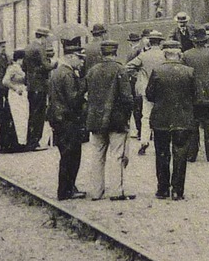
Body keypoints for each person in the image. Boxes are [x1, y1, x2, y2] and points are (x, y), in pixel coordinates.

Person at [82, 41, 138, 201]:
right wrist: (127, 116)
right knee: (116, 155)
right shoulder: (120, 69)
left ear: (102, 53)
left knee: (97, 155)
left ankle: (96, 192)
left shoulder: (92, 71)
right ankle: (115, 191)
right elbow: (127, 97)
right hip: (116, 120)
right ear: (115, 52)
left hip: (96, 120)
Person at [144, 40, 195, 200]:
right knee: (180, 154)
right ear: (179, 54)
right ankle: (177, 191)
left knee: (162, 154)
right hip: (182, 118)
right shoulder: (190, 72)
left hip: (161, 119)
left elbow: (149, 95)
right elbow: (195, 95)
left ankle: (163, 189)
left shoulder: (157, 71)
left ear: (165, 54)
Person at [48, 38, 87, 199]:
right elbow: (73, 99)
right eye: (80, 58)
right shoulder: (68, 74)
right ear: (71, 57)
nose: (82, 62)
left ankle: (68, 187)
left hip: (58, 118)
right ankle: (66, 190)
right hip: (68, 120)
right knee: (71, 156)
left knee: (66, 155)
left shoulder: (57, 72)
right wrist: (84, 90)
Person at [182, 28, 209, 163]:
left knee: (192, 125)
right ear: (205, 41)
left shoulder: (186, 55)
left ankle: (191, 154)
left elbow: (183, 74)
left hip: (192, 93)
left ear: (193, 42)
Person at [21, 27, 52, 150]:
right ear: (43, 37)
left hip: (31, 86)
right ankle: (35, 142)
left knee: (32, 113)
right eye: (46, 38)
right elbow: (46, 66)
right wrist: (54, 64)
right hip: (40, 85)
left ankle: (30, 140)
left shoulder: (28, 47)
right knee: (39, 114)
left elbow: (24, 66)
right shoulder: (40, 48)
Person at [0, 49, 26, 154]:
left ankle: (16, 142)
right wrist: (15, 88)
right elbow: (5, 81)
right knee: (14, 117)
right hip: (15, 95)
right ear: (20, 59)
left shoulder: (18, 67)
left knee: (18, 118)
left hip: (20, 96)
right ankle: (11, 144)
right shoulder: (13, 68)